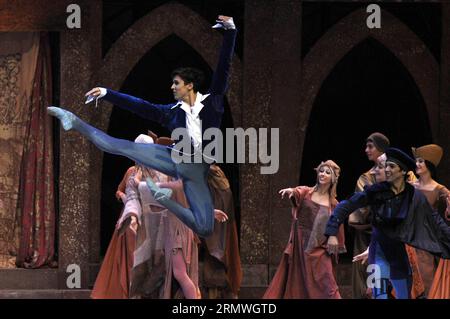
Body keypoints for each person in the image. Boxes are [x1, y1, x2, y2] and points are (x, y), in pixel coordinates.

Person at [47, 15, 237, 238]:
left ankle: (163, 199)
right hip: (174, 158)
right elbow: (140, 106)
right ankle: (74, 121)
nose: (172, 87)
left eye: (176, 83)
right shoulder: (171, 111)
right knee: (117, 146)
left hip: (196, 171)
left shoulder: (211, 104)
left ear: (190, 85)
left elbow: (223, 70)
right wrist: (108, 93)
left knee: (205, 228)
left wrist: (231, 32)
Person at [326, 148, 450, 299]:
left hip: (398, 255)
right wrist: (332, 232)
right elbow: (346, 205)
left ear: (403, 172)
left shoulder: (413, 196)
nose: (387, 170)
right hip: (378, 253)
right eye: (386, 166)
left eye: (392, 166)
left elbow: (435, 220)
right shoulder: (376, 192)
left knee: (404, 295)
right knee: (379, 295)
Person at [263, 160, 346, 299]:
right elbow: (297, 192)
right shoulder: (307, 192)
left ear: (333, 178)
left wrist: (335, 242)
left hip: (320, 251)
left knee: (329, 286)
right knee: (299, 286)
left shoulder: (334, 205)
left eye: (327, 172)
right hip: (301, 248)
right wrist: (291, 191)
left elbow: (337, 228)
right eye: (321, 171)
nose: (323, 174)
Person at [91, 134, 154, 299]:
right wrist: (124, 197)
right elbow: (119, 189)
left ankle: (140, 289)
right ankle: (128, 290)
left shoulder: (155, 172)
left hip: (147, 216)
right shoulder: (131, 171)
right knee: (129, 250)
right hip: (130, 213)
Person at [348, 132, 390, 299]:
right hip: (367, 233)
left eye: (370, 146)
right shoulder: (365, 178)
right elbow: (358, 209)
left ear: (381, 148)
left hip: (391, 233)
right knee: (365, 275)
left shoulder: (400, 171)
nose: (366, 150)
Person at [410, 144, 450, 298]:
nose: (417, 164)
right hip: (409, 238)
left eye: (421, 161)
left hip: (426, 241)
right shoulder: (411, 187)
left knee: (426, 279)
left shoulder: (439, 188)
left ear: (429, 164)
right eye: (417, 161)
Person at [201, 164, 242, 299]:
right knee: (226, 259)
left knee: (214, 262)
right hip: (227, 230)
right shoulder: (226, 188)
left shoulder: (211, 188)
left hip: (214, 230)